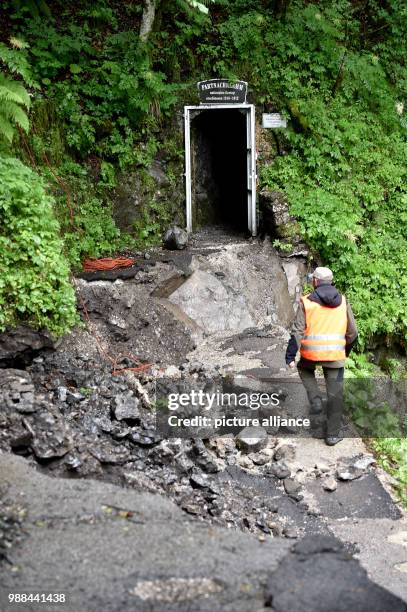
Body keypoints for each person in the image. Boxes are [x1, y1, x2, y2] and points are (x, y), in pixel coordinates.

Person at [285, 267, 358, 446]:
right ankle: (332, 435)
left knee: (303, 368)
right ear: (331, 281)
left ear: (315, 281)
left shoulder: (306, 302)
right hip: (335, 355)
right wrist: (344, 351)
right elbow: (353, 332)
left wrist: (290, 355)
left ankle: (315, 398)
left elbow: (297, 331)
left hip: (311, 354)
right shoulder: (343, 302)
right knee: (335, 395)